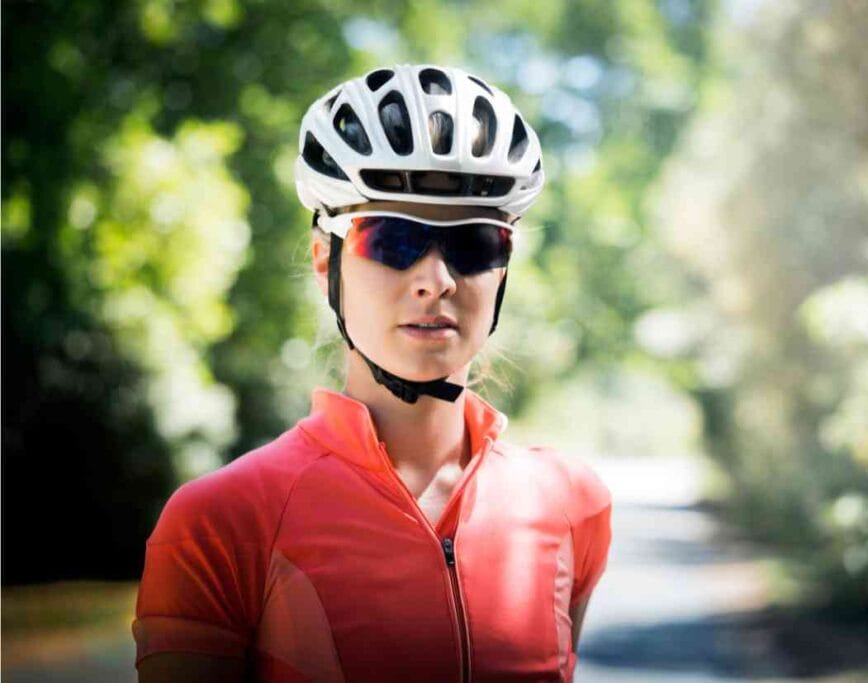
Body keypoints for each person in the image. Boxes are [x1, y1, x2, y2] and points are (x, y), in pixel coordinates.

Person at [133, 64, 613, 682]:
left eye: (473, 244)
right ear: (323, 259)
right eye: (391, 240)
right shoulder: (220, 523)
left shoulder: (573, 503)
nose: (435, 280)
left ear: (504, 266)